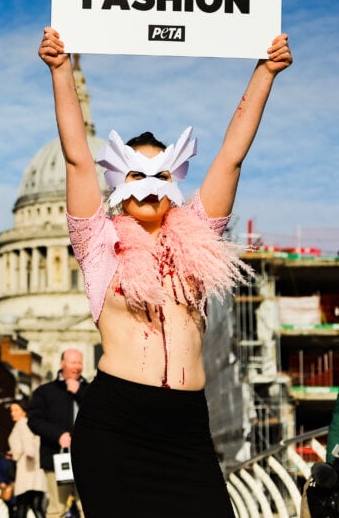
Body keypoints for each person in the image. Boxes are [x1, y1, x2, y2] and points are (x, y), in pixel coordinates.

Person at [39, 27, 292, 517]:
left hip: (187, 428)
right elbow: (75, 159)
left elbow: (231, 157)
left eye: (161, 175)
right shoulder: (99, 243)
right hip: (116, 424)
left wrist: (266, 72)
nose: (149, 186)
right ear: (118, 181)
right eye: (136, 174)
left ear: (176, 180)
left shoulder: (198, 232)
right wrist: (60, 70)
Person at [27, 349, 86, 518]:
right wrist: (58, 435)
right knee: (57, 509)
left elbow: (102, 416)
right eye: (73, 363)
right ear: (62, 364)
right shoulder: (45, 392)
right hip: (57, 459)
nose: (77, 367)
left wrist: (81, 392)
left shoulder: (90, 391)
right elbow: (34, 420)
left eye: (80, 363)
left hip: (86, 460)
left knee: (88, 508)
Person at [9, 400, 47, 518]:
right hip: (34, 472)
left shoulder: (22, 423)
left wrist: (29, 452)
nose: (12, 413)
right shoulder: (29, 423)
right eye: (11, 410)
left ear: (24, 412)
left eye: (16, 410)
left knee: (23, 507)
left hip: (27, 473)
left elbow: (27, 441)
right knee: (35, 507)